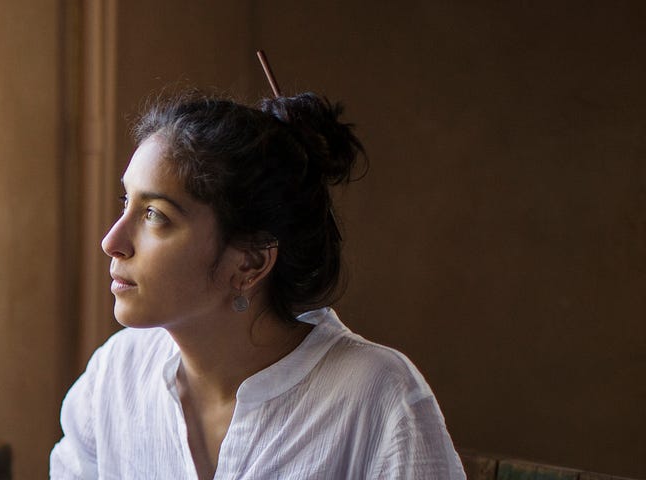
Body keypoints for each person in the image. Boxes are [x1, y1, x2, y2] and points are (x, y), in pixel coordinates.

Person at [49, 92, 466, 479]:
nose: (112, 242)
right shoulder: (116, 376)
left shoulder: (375, 397)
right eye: (127, 203)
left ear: (249, 262)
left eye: (156, 215)